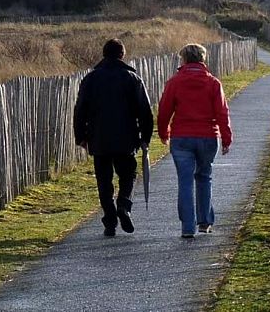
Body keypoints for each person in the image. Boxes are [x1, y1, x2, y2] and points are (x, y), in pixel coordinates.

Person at [73, 39, 153, 237]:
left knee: (104, 179)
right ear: (122, 55)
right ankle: (124, 205)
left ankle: (110, 220)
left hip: (99, 137)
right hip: (126, 136)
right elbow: (145, 111)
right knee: (128, 174)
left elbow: (80, 109)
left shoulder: (90, 79)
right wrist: (145, 137)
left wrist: (80, 136)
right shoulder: (132, 78)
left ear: (104, 54)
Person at [157, 43, 232, 239]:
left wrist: (164, 132)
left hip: (181, 137)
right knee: (204, 177)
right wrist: (226, 137)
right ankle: (205, 222)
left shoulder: (174, 82)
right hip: (207, 136)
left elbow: (165, 110)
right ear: (203, 59)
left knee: (185, 181)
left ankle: (187, 227)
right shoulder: (213, 83)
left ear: (183, 60)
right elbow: (222, 112)